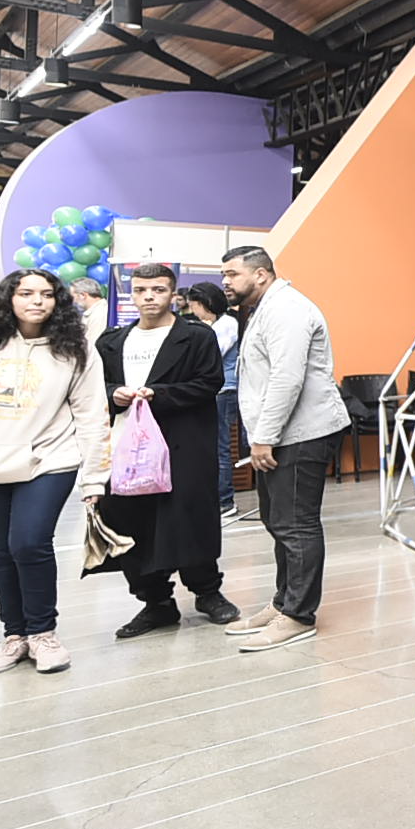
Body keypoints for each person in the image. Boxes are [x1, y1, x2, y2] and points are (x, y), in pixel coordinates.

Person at [0, 268, 111, 677]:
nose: (36, 301)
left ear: (58, 300)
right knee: (1, 550)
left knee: (29, 544)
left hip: (50, 460)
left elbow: (92, 414)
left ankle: (43, 634)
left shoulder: (76, 346)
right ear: (8, 297)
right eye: (26, 293)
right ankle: (15, 635)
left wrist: (95, 475)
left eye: (46, 294)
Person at [95, 264, 241, 637]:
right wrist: (114, 393)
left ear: (173, 294)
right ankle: (155, 601)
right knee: (131, 521)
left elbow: (209, 382)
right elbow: (94, 386)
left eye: (158, 289)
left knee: (189, 517)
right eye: (141, 290)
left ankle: (207, 592)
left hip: (183, 443)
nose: (149, 297)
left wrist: (159, 394)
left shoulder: (196, 337)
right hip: (125, 447)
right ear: (131, 294)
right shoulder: (112, 341)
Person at [219, 246, 346, 651]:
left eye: (232, 274)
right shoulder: (264, 309)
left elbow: (286, 379)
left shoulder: (287, 309)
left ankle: (298, 615)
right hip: (281, 433)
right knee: (278, 521)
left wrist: (264, 438)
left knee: (296, 525)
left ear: (260, 274)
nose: (225, 281)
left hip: (300, 434)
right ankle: (282, 603)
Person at [182, 282, 244, 518]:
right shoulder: (213, 325)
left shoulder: (227, 324)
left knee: (220, 447)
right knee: (213, 447)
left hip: (223, 391)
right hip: (214, 392)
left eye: (194, 305)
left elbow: (210, 355)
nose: (193, 311)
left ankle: (225, 501)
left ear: (204, 304)